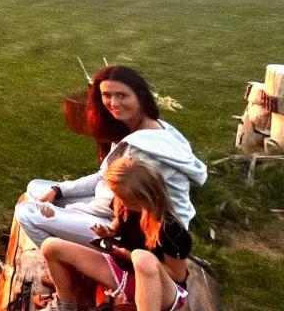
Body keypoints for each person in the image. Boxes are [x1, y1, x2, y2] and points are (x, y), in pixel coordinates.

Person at [33, 158, 190, 311]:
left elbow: (177, 276)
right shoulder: (125, 205)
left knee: (142, 258)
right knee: (51, 246)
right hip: (125, 276)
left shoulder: (171, 229)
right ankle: (66, 305)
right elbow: (118, 227)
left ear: (144, 197)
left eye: (125, 198)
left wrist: (132, 256)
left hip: (163, 292)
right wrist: (107, 232)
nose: (120, 201)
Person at [16, 65, 206, 248]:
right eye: (107, 95)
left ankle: (68, 265)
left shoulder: (143, 150)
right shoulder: (136, 128)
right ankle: (68, 245)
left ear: (140, 96)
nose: (113, 103)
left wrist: (68, 209)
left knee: (27, 213)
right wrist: (59, 191)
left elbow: (116, 206)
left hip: (136, 230)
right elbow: (103, 177)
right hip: (113, 206)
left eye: (122, 95)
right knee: (36, 187)